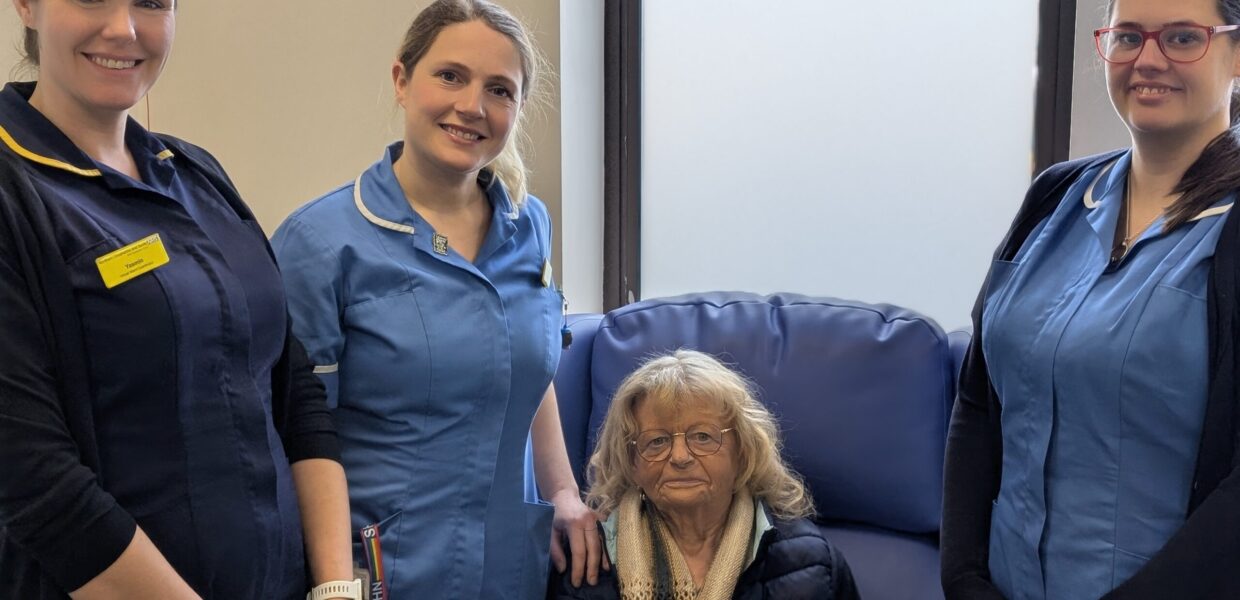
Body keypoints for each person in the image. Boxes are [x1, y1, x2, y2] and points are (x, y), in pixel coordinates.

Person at [0, 1, 357, 599]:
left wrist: (335, 588)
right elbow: (34, 479)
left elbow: (292, 394)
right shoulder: (18, 194)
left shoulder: (196, 173)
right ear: (27, 6)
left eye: (151, 2)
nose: (124, 28)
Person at [271, 1, 601, 597]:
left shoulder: (530, 227)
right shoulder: (320, 243)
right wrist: (332, 584)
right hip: (377, 570)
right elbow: (297, 430)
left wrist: (563, 495)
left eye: (499, 90)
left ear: (519, 108)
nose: (472, 105)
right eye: (450, 75)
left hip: (508, 569)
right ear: (402, 81)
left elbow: (534, 363)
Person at [942, 0, 1240, 598]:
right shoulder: (1053, 197)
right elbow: (979, 402)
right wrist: (964, 577)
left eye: (1183, 38)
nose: (1147, 60)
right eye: (1128, 37)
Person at [549, 350, 860, 600]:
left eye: (703, 437)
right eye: (657, 441)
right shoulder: (588, 560)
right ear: (632, 463)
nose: (681, 457)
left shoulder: (810, 563)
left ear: (743, 451)